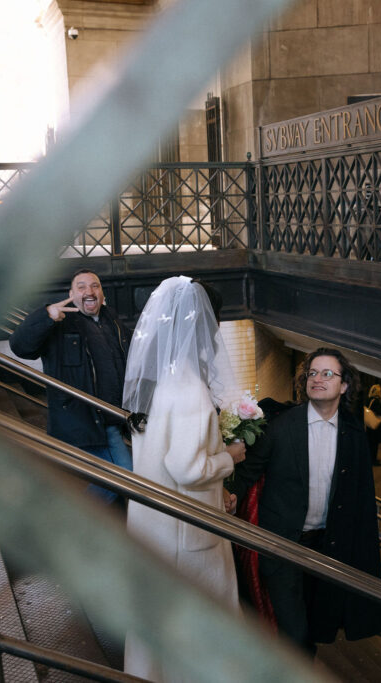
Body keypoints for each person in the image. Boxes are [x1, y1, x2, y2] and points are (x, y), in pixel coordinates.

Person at [120, 276, 246, 680]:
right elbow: (188, 468)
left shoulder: (151, 383)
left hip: (152, 523)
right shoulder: (190, 390)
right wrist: (230, 457)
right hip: (186, 534)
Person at [228, 347, 381, 655]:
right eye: (313, 373)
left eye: (328, 373)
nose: (318, 379)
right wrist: (229, 493)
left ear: (344, 385)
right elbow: (247, 471)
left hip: (327, 549)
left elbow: (361, 498)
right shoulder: (282, 427)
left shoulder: (353, 433)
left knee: (314, 629)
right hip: (283, 546)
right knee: (295, 633)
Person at [9, 269, 133, 504]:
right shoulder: (60, 324)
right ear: (71, 294)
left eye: (95, 286)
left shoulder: (112, 321)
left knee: (123, 480)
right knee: (126, 478)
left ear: (102, 292)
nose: (89, 291)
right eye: (82, 287)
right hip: (81, 420)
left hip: (112, 420)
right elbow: (20, 346)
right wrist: (46, 316)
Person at [364, 383, 381, 466]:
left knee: (369, 443)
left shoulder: (369, 399)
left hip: (368, 425)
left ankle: (369, 459)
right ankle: (373, 461)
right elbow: (380, 412)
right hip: (374, 426)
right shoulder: (376, 401)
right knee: (374, 444)